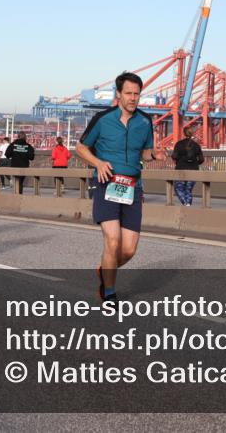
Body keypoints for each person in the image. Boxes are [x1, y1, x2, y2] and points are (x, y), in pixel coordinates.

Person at [75, 72, 165, 302]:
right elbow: (81, 148)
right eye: (128, 93)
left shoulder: (145, 122)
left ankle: (106, 270)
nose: (133, 98)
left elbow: (145, 151)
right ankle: (109, 291)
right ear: (118, 94)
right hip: (107, 184)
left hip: (133, 187)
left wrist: (154, 154)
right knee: (112, 240)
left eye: (137, 94)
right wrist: (98, 163)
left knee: (128, 250)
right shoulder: (102, 119)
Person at [171, 126, 205, 206]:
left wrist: (179, 161)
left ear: (184, 133)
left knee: (178, 188)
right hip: (194, 170)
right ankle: (188, 204)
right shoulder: (196, 145)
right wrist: (195, 163)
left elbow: (174, 156)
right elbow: (201, 159)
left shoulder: (179, 144)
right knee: (188, 189)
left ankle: (185, 203)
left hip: (181, 169)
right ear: (192, 133)